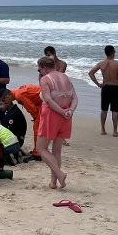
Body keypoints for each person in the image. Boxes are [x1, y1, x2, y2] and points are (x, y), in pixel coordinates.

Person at [36, 56, 78, 189]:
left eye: (39, 69)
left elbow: (48, 100)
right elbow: (75, 97)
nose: (39, 72)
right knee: (57, 151)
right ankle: (54, 182)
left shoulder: (45, 79)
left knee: (41, 148)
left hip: (52, 115)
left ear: (44, 67)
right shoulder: (65, 77)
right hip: (66, 117)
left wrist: (61, 111)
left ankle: (59, 174)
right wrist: (70, 111)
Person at [88, 45, 118, 137]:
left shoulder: (101, 63)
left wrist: (98, 84)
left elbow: (90, 73)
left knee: (104, 110)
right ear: (113, 53)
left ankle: (103, 129)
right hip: (115, 88)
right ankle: (115, 131)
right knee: (115, 110)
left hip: (105, 88)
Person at [10, 85, 42, 159]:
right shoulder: (18, 91)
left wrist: (35, 118)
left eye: (4, 100)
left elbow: (31, 108)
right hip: (43, 98)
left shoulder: (19, 95)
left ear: (8, 96)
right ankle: (39, 150)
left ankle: (38, 153)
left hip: (43, 100)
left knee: (37, 128)